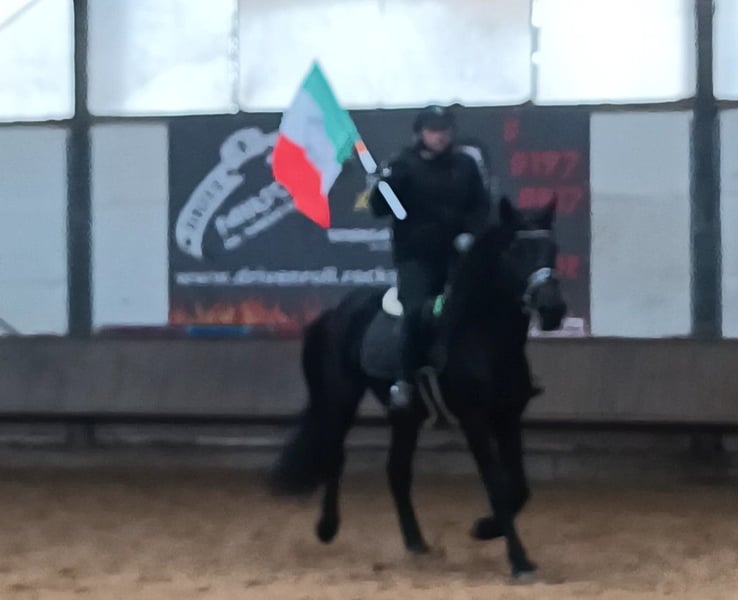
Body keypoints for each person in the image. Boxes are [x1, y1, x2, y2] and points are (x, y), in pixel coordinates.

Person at [367, 105, 491, 411]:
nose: (440, 136)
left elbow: (480, 205)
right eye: (434, 130)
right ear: (420, 133)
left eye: (445, 130)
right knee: (414, 312)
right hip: (417, 257)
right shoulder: (402, 164)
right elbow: (380, 208)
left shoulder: (466, 165)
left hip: (458, 256)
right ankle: (404, 380)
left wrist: (471, 233)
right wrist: (383, 186)